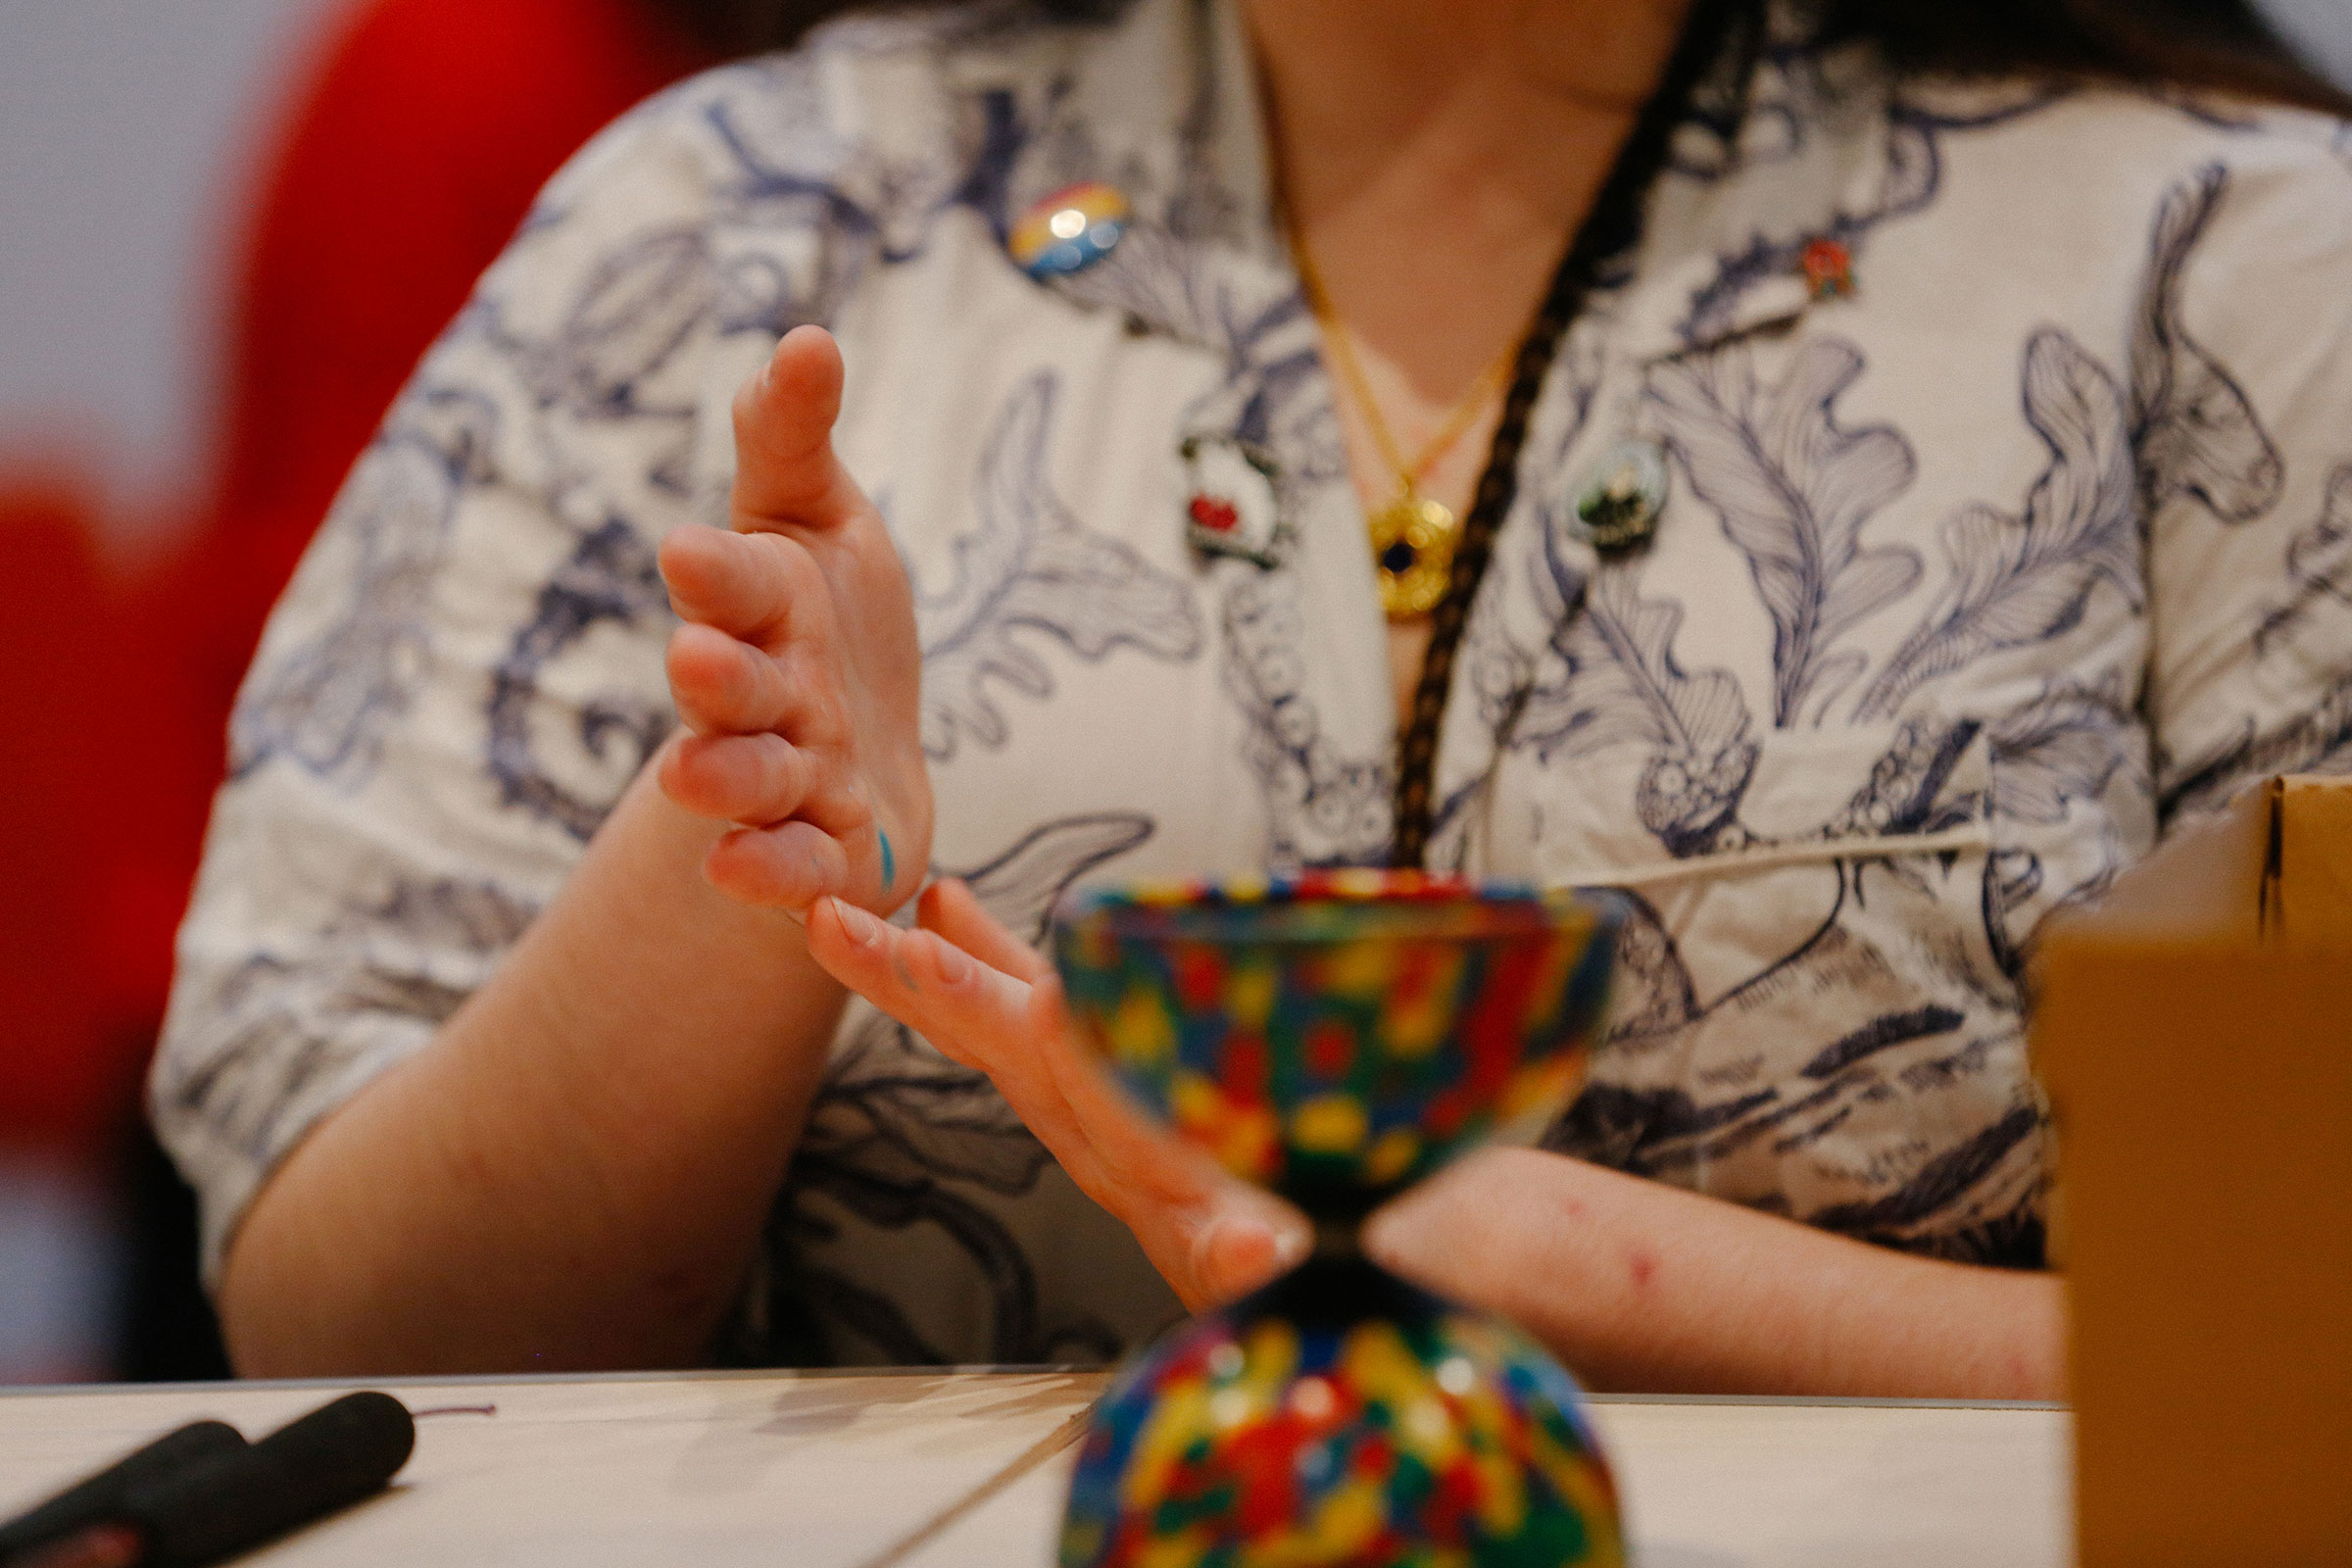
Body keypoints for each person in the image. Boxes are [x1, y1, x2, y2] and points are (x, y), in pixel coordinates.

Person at [152, 0, 2352, 1393]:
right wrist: (759, 836)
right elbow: (342, 1332)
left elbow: (2312, 1380)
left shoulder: (2219, 258)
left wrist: (1537, 1257)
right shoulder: (726, 224)